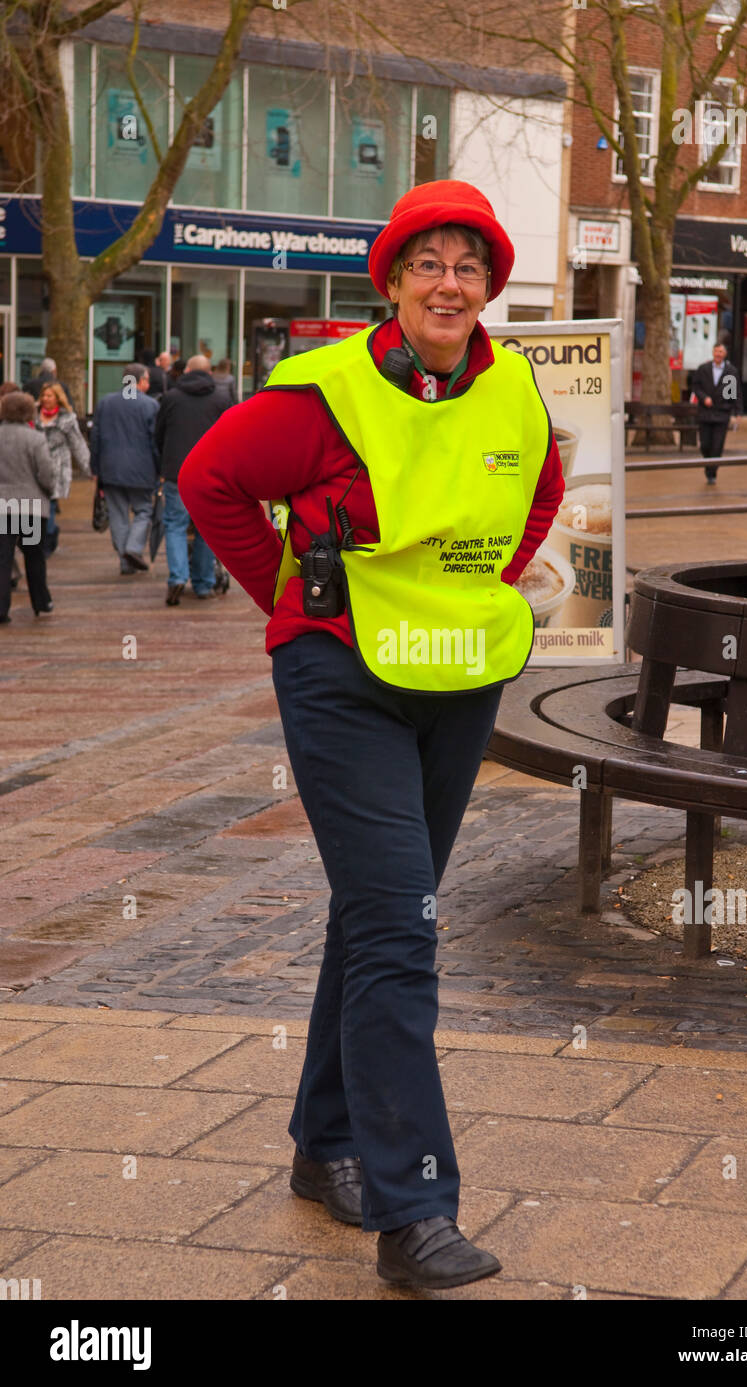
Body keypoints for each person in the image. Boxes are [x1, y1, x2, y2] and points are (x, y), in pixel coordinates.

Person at [180, 179, 565, 1291]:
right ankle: (415, 1207)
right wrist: (291, 601)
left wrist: (482, 580)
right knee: (402, 924)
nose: (449, 283)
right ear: (390, 283)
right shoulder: (325, 394)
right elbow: (209, 482)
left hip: (457, 672)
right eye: (427, 263)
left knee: (382, 910)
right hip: (341, 675)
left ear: (489, 285)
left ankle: (321, 1144)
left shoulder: (513, 388)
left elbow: (538, 488)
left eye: (469, 264)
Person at [155, 354, 232, 604]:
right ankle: (203, 584)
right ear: (210, 373)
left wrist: (162, 464)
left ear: (186, 371)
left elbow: (158, 434)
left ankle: (178, 577)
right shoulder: (222, 400)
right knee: (206, 531)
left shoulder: (171, 398)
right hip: (211, 475)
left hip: (177, 472)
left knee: (175, 526)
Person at [89, 364, 159, 574]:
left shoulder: (106, 402)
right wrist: (160, 468)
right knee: (144, 510)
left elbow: (96, 438)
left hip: (110, 468)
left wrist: (95, 467)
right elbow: (155, 441)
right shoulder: (150, 405)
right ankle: (132, 548)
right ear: (141, 380)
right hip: (142, 468)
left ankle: (125, 560)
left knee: (118, 514)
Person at [0, 391, 57, 622]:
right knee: (34, 555)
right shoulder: (35, 439)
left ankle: (1, 607)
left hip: (3, 505)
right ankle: (41, 600)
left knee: (3, 557)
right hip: (30, 506)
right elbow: (46, 472)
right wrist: (50, 490)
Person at [34, 382, 91, 553]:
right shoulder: (32, 415)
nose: (45, 399)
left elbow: (78, 445)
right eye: (43, 395)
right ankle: (43, 540)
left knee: (50, 505)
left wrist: (89, 469)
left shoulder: (67, 419)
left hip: (57, 468)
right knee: (38, 506)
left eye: (49, 396)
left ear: (58, 398)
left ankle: (49, 537)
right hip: (35, 467)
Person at [691, 341, 743, 483]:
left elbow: (734, 393)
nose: (718, 354)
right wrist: (704, 398)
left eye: (721, 352)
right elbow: (696, 386)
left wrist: (738, 411)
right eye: (716, 351)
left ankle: (712, 473)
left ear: (725, 354)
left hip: (721, 414)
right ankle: (708, 465)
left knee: (717, 445)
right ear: (713, 353)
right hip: (705, 413)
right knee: (705, 445)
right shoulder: (703, 369)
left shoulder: (731, 371)